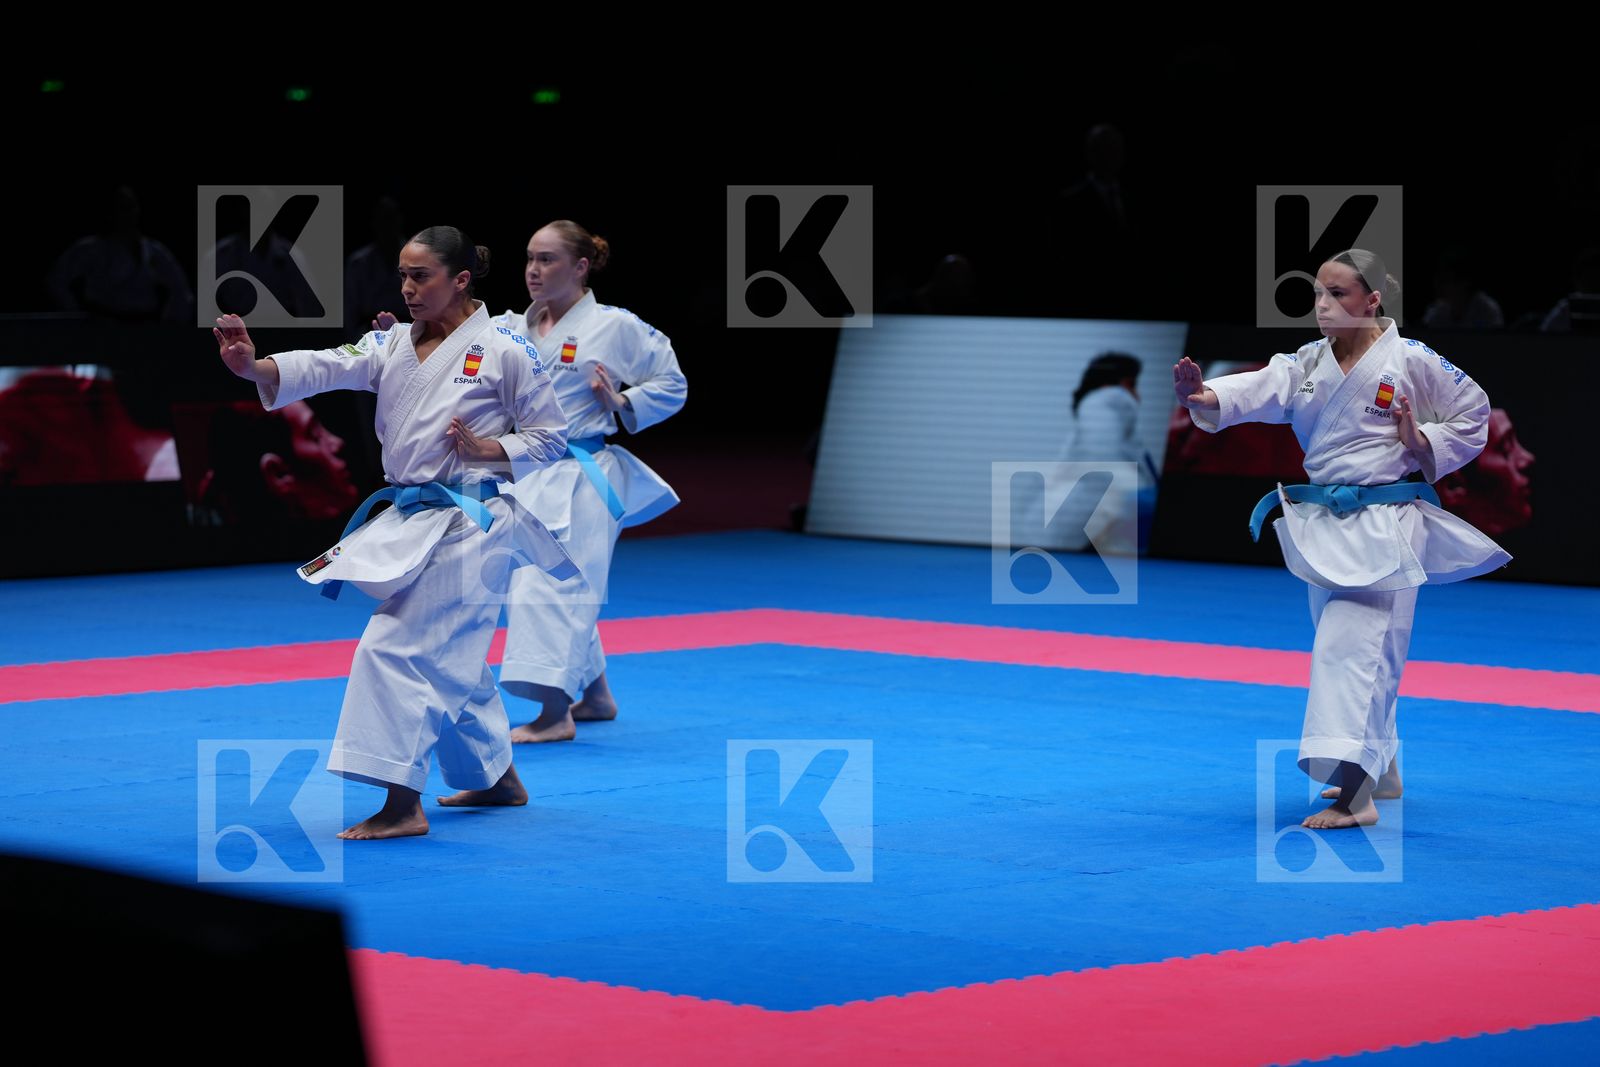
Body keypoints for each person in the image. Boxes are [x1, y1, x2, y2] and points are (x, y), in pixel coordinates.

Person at [214, 226, 576, 840]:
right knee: (451, 656)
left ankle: (402, 803)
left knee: (394, 649)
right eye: (403, 276)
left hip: (472, 521)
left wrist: (491, 448)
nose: (407, 289)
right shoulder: (393, 344)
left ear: (461, 280)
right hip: (412, 517)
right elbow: (331, 363)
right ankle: (495, 778)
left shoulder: (508, 349)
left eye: (421, 276)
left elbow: (550, 438)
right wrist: (256, 366)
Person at [1174, 249, 1509, 829]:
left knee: (1348, 653)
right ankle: (1385, 767)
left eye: (1338, 295)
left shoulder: (1409, 360)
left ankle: (1356, 795)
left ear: (1372, 300)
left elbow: (1473, 415)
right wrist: (1204, 397)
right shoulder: (1309, 362)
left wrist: (1420, 436)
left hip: (1384, 527)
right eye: (1318, 295)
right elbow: (1259, 386)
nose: (1322, 307)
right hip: (1325, 528)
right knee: (1364, 652)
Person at [492, 221, 687, 742]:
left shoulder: (613, 326)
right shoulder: (509, 327)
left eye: (549, 259)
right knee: (554, 584)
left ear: (581, 267)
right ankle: (595, 695)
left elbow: (673, 382)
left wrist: (623, 402)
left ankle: (554, 714)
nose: (534, 270)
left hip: (582, 474)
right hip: (527, 473)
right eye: (530, 258)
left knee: (547, 588)